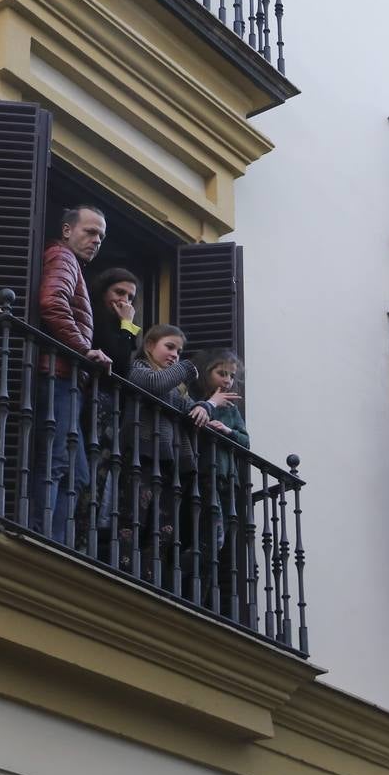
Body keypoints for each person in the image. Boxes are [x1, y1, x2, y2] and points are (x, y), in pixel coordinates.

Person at [122, 325, 237, 562]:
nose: (175, 354)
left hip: (172, 462)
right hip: (142, 454)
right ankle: (125, 567)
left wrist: (206, 406)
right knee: (135, 517)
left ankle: (150, 574)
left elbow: (189, 408)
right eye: (169, 347)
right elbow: (154, 384)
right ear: (150, 346)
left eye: (179, 351)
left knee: (164, 526)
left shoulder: (176, 388)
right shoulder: (138, 369)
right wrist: (188, 367)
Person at [36, 205, 111, 542]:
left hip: (66, 379)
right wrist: (84, 350)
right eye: (90, 231)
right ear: (67, 230)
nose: (96, 240)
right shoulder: (63, 258)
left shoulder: (73, 267)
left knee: (78, 473)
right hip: (58, 374)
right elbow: (52, 302)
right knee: (56, 461)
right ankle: (41, 535)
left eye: (101, 236)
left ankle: (57, 541)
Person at [191, 349, 249, 554]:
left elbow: (245, 441)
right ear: (207, 374)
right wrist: (211, 405)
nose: (228, 380)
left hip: (228, 478)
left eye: (232, 376)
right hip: (205, 472)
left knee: (221, 538)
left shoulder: (232, 410)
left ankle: (205, 579)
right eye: (221, 373)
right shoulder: (194, 399)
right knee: (211, 534)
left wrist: (227, 431)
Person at [90, 268, 141, 380]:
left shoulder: (123, 324)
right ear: (103, 292)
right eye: (119, 292)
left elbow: (123, 368)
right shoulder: (90, 315)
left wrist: (126, 324)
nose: (124, 301)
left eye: (130, 297)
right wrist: (126, 324)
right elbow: (116, 361)